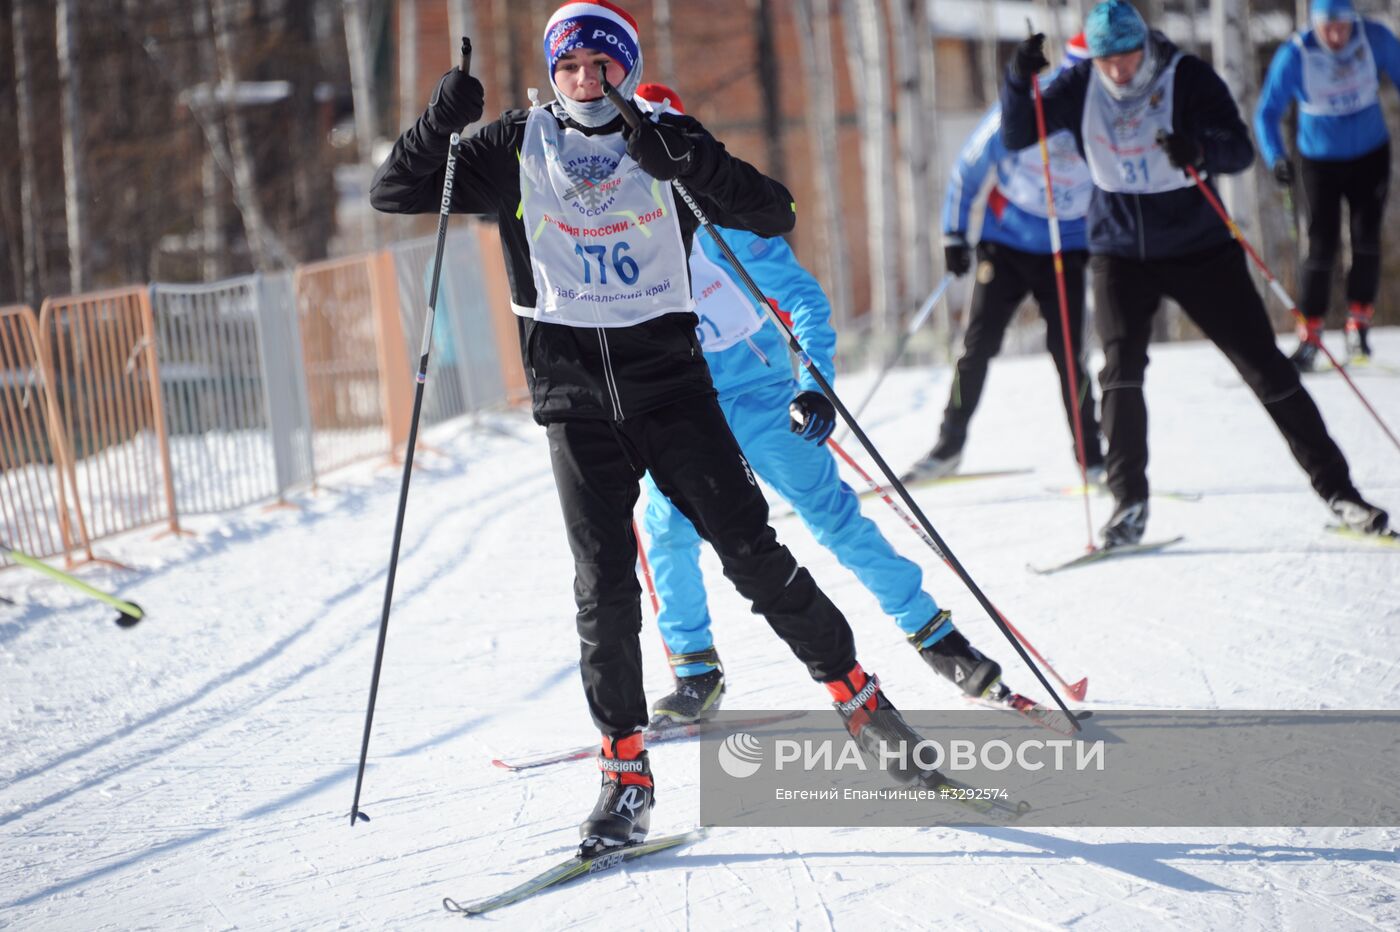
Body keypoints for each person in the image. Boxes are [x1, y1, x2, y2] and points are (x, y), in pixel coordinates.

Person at [370, 1, 937, 854]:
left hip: (673, 392)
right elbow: (395, 191)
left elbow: (774, 212)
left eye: (601, 66)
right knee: (603, 588)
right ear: (553, 73)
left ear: (626, 70)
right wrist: (439, 123)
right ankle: (625, 778)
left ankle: (861, 702)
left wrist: (690, 163)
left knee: (753, 555)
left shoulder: (665, 137)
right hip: (575, 404)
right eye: (569, 67)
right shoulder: (515, 145)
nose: (584, 82)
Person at [632, 83, 1012, 729]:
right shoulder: (627, 232)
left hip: (759, 398)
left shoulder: (726, 221)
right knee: (666, 529)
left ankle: (936, 636)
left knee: (833, 518)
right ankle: (695, 671)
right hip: (681, 403)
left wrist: (814, 383)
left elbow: (804, 301)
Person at [999, 0, 1390, 547]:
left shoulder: (1185, 76)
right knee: (1120, 373)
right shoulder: (1080, 84)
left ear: (1144, 45)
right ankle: (1128, 505)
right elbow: (1018, 134)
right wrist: (1018, 81)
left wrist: (1199, 150)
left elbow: (1239, 150)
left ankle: (1340, 492)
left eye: (1127, 56)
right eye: (1107, 59)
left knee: (1266, 368)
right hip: (1120, 253)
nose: (1118, 70)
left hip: (1199, 247)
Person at [905, 34, 1106, 484]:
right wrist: (954, 235)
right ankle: (948, 446)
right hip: (1007, 243)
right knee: (978, 346)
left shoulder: (1108, 113)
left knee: (1070, 353)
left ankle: (1092, 458)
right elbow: (968, 168)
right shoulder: (1031, 104)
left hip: (1065, 248)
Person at [1255, 0, 1400, 371]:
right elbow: (1267, 112)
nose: (1336, 35)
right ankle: (1311, 334)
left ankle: (1358, 326)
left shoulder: (1375, 38)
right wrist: (1276, 157)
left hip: (1370, 154)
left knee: (1366, 237)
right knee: (1321, 243)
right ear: (1314, 24)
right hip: (1319, 160)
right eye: (1327, 27)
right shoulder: (1296, 54)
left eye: (1343, 26)